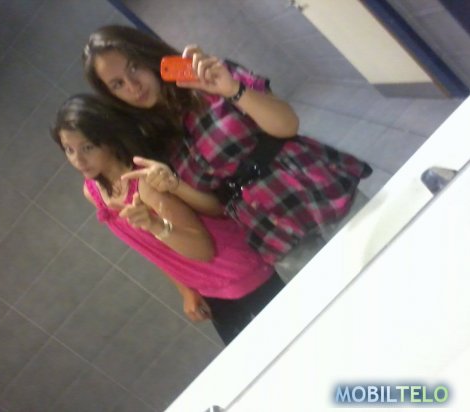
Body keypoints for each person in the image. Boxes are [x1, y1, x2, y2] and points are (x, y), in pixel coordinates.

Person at [82, 25, 373, 266]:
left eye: (134, 67)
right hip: (275, 237)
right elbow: (216, 206)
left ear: (149, 56)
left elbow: (287, 124)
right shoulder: (151, 143)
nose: (133, 86)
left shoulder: (210, 76)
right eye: (117, 84)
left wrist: (232, 90)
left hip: (318, 193)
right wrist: (174, 185)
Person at [51, 94, 285, 345]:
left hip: (236, 271)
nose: (78, 160)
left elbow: (203, 249)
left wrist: (153, 225)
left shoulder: (145, 182)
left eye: (87, 147)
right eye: (69, 150)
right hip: (208, 285)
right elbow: (154, 249)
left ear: (108, 140)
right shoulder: (93, 191)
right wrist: (186, 289)